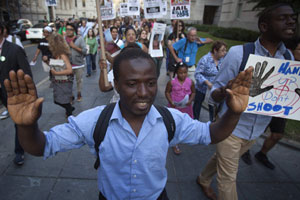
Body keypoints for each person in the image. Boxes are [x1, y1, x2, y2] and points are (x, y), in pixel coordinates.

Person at [4, 46, 253, 200]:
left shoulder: (171, 120)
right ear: (116, 85)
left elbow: (212, 134)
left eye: (150, 82)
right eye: (132, 83)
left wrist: (233, 113)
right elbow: (42, 146)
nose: (143, 92)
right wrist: (26, 126)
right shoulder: (95, 121)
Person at [197, 4, 296, 200]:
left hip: (256, 130)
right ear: (264, 26)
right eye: (283, 18)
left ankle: (202, 178)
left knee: (222, 159)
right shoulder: (238, 54)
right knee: (228, 179)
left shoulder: (287, 57)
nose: (291, 21)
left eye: (293, 17)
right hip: (230, 129)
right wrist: (228, 90)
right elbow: (213, 95)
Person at [241, 37, 300, 169]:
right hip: (263, 102)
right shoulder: (283, 59)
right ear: (292, 50)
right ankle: (245, 150)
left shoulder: (289, 59)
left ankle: (262, 154)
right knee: (252, 128)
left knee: (277, 134)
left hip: (282, 106)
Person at [0, 22, 33, 166]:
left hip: (12, 95)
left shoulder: (15, 50)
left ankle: (19, 151)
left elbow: (27, 75)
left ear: (2, 31)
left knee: (18, 122)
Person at [165, 62, 195, 155]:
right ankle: (175, 143)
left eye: (185, 72)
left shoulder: (190, 82)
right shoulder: (172, 82)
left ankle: (184, 136)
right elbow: (167, 92)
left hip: (186, 107)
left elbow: (193, 92)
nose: (183, 75)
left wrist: (190, 100)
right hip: (175, 107)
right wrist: (171, 101)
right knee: (176, 125)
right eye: (181, 73)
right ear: (176, 72)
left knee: (185, 123)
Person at [193, 41, 227, 121]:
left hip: (215, 88)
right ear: (215, 50)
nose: (224, 53)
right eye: (222, 50)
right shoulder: (205, 59)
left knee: (213, 107)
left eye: (225, 50)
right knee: (197, 105)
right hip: (202, 88)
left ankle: (213, 123)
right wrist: (207, 82)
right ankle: (195, 121)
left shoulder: (222, 60)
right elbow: (197, 74)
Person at [48, 34, 74, 117]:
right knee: (57, 100)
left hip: (64, 82)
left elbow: (70, 70)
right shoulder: (54, 55)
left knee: (63, 100)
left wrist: (56, 73)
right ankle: (69, 109)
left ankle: (69, 112)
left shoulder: (62, 55)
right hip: (57, 81)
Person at [65, 23, 87, 102]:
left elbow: (84, 51)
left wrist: (74, 47)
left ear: (74, 31)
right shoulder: (64, 40)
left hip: (78, 64)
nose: (68, 31)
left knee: (79, 81)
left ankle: (79, 93)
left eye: (70, 29)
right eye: (67, 29)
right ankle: (70, 95)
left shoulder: (80, 39)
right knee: (68, 82)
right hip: (67, 65)